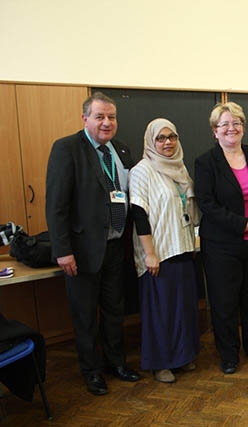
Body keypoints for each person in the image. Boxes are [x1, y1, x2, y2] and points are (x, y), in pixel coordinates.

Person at [45, 92, 141, 396]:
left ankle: (116, 363)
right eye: (99, 116)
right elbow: (56, 206)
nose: (106, 122)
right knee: (85, 316)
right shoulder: (67, 149)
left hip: (116, 247)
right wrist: (63, 250)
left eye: (111, 117)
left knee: (115, 310)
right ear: (85, 118)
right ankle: (92, 371)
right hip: (83, 250)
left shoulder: (121, 151)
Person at [194, 102, 248, 374]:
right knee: (224, 301)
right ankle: (229, 354)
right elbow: (207, 203)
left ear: (243, 127)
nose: (232, 128)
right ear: (214, 131)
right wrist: (242, 224)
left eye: (237, 123)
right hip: (221, 244)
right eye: (225, 124)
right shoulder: (206, 162)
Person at [128, 118, 201, 383]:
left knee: (183, 309)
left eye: (172, 137)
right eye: (161, 138)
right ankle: (161, 364)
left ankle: (182, 357)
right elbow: (139, 214)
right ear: (151, 141)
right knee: (161, 312)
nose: (167, 143)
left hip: (182, 248)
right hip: (158, 253)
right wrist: (149, 254)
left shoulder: (180, 168)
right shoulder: (142, 171)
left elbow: (188, 210)